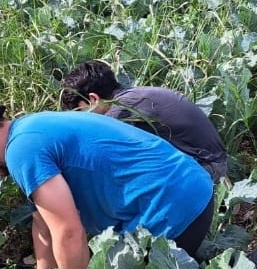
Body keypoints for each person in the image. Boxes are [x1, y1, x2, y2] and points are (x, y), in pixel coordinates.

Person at [0, 105, 215, 269]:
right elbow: (44, 222)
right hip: (188, 189)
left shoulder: (21, 152)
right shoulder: (29, 129)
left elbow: (69, 233)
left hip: (172, 209)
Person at [60, 61, 229, 183]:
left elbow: (93, 153)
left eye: (81, 112)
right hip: (211, 161)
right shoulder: (138, 94)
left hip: (207, 169)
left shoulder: (121, 109)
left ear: (93, 99)